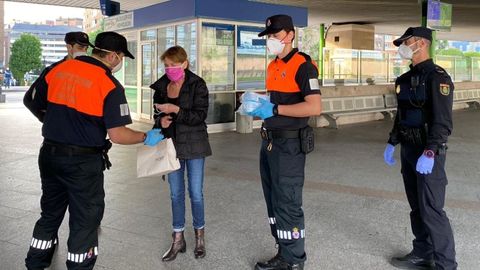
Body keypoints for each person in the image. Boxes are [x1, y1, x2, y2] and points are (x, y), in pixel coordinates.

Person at [24, 31, 165, 270]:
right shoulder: (109, 84)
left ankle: (35, 263)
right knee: (85, 219)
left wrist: (58, 123)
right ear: (112, 56)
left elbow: (34, 102)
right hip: (82, 163)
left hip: (49, 155)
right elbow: (118, 135)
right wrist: (145, 136)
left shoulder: (58, 70)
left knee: (50, 212)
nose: (120, 62)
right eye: (121, 57)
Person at [244, 14, 322, 270]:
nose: (271, 41)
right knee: (274, 200)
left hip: (289, 146)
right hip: (269, 142)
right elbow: (274, 102)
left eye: (276, 36)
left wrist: (275, 110)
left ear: (290, 35)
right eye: (269, 37)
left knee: (287, 201)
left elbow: (315, 107)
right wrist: (259, 107)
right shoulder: (272, 66)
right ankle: (283, 251)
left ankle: (295, 260)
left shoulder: (304, 66)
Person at [384, 27, 457, 270]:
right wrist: (393, 141)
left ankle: (446, 264)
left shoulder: (438, 78)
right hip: (408, 149)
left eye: (408, 41)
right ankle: (422, 252)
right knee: (416, 207)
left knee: (432, 209)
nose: (404, 47)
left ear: (422, 44)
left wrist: (431, 151)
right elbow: (401, 114)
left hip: (428, 152)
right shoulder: (404, 80)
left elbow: (443, 121)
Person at [150, 45, 212, 262]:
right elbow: (156, 113)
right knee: (176, 194)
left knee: (195, 193)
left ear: (185, 63)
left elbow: (200, 116)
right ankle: (178, 239)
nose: (170, 69)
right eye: (166, 65)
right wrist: (161, 119)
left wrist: (175, 110)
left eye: (174, 65)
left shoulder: (197, 84)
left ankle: (199, 237)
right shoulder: (162, 86)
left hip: (195, 145)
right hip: (171, 147)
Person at [24, 31, 93, 122]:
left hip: (84, 129)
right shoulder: (53, 70)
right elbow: (29, 100)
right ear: (69, 47)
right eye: (80, 47)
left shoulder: (91, 71)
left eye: (86, 48)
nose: (84, 51)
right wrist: (48, 120)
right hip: (58, 132)